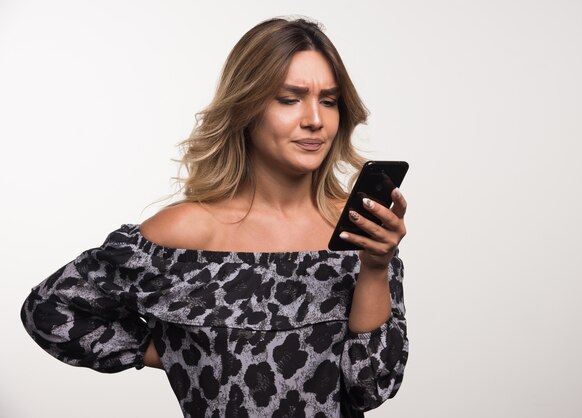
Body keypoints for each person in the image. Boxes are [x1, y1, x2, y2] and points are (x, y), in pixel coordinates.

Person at [20, 17, 408, 418]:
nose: (315, 119)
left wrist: (376, 267)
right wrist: (168, 353)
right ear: (247, 107)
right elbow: (50, 309)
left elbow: (372, 385)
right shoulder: (187, 235)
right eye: (289, 99)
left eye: (328, 100)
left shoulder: (361, 233)